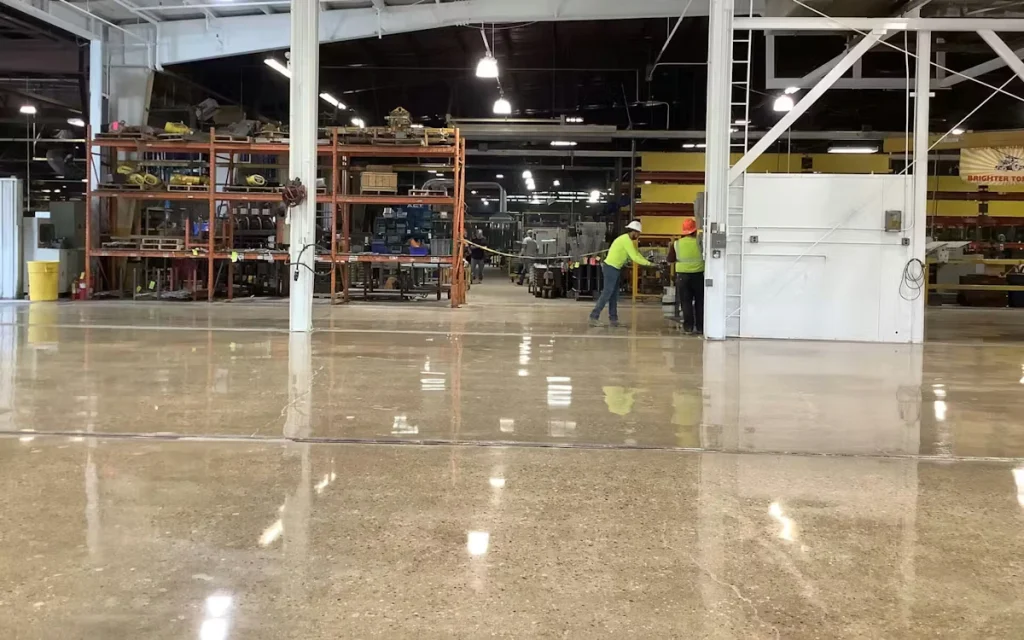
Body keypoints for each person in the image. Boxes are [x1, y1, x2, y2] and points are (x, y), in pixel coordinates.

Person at [589, 221, 653, 327]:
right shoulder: (626, 240)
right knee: (607, 293)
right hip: (611, 268)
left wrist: (648, 262)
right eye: (638, 233)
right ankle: (593, 316)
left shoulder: (626, 240)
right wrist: (650, 264)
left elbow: (636, 254)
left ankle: (613, 319)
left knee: (614, 295)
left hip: (615, 268)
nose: (638, 236)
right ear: (634, 232)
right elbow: (635, 257)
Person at [666, 217, 704, 334]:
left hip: (683, 277)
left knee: (686, 302)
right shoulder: (700, 242)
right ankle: (700, 327)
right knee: (700, 302)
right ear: (695, 231)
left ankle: (688, 327)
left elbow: (670, 260)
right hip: (698, 275)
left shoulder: (676, 244)